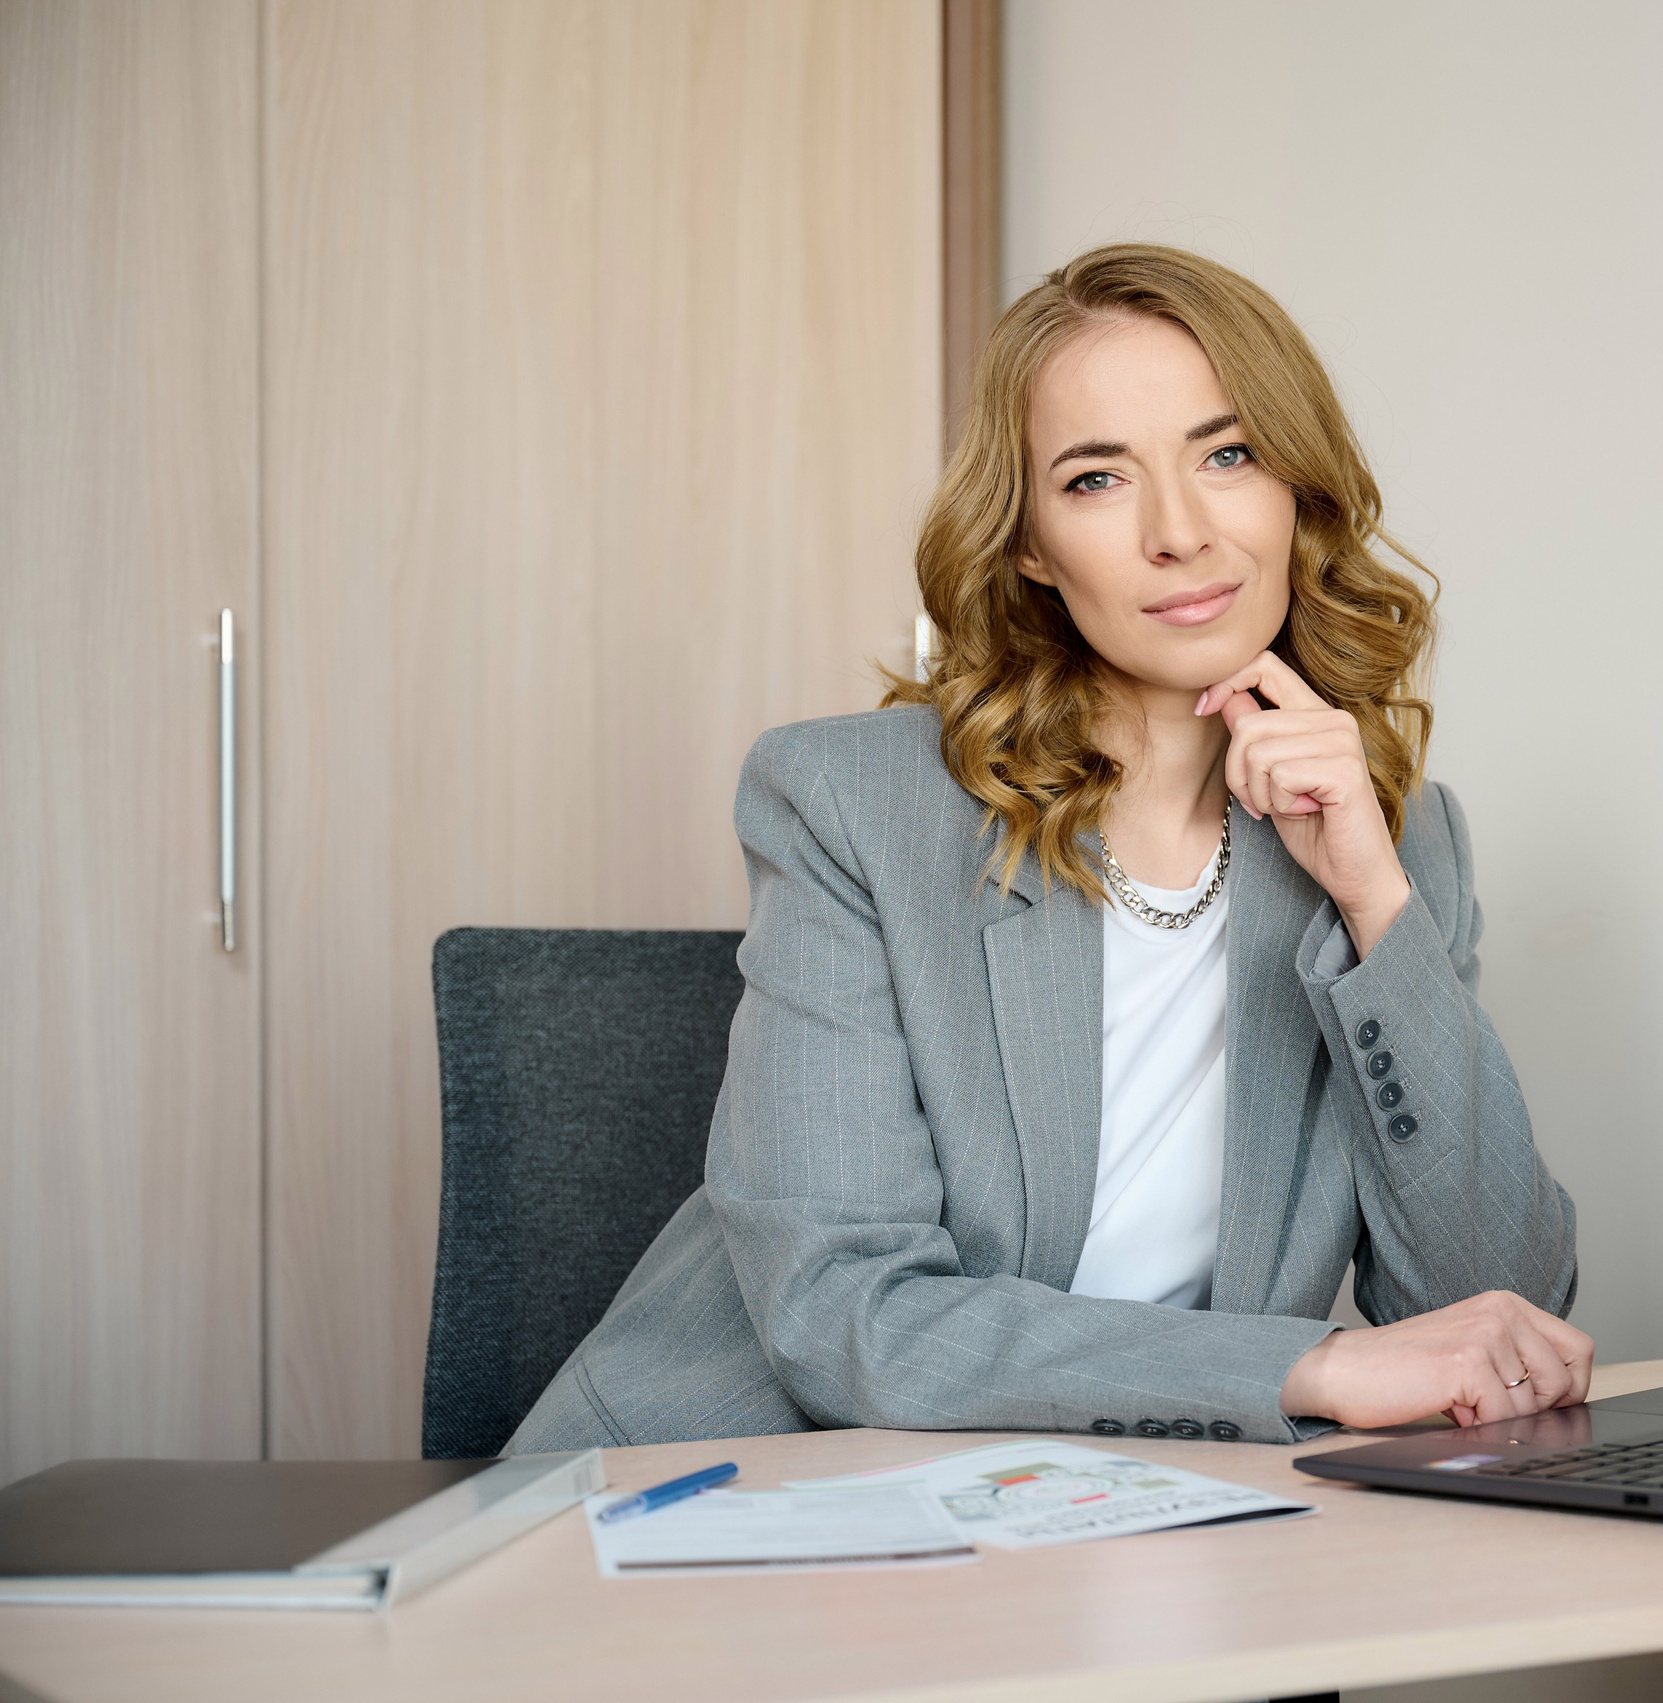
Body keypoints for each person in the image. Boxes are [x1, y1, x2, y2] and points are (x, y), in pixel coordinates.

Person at [507, 244, 1584, 1452]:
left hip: (1123, 1505)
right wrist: (1306, 1367)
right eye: (1097, 479)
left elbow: (1495, 1310)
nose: (1180, 532)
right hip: (727, 1486)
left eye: (1228, 455)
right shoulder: (851, 806)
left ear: (1299, 489)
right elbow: (847, 1316)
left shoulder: (1396, 843)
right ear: (1028, 541)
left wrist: (1375, 904)